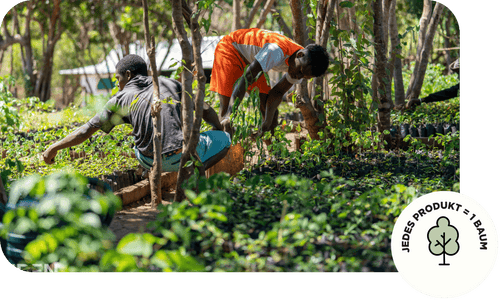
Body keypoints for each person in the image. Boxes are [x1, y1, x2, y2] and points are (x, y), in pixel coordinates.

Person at [43, 54, 231, 172]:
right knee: (225, 139)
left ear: (129, 75)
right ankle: (197, 169)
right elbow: (204, 107)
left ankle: (168, 171)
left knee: (132, 142)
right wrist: (217, 127)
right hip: (184, 157)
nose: (117, 84)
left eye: (118, 78)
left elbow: (86, 130)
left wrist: (54, 147)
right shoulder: (169, 83)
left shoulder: (118, 99)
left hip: (149, 161)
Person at [209, 28, 330, 134]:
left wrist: (267, 120)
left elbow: (277, 93)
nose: (298, 77)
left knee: (268, 111)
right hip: (230, 48)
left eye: (303, 77)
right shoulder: (276, 51)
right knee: (226, 112)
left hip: (251, 62)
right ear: (300, 55)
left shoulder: (299, 66)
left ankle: (271, 155)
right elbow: (247, 79)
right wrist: (231, 114)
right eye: (300, 72)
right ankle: (219, 149)